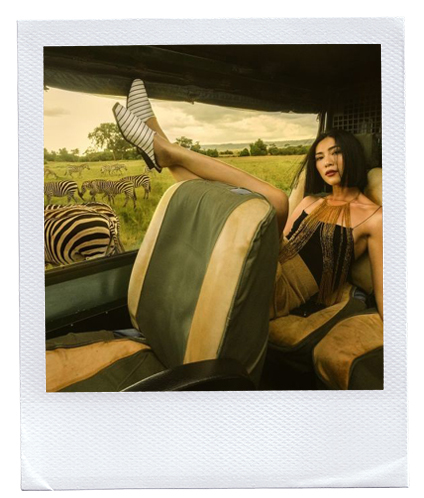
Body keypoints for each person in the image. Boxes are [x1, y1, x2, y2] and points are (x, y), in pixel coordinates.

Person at [113, 79, 383, 321]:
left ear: (352, 154)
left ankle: (160, 143)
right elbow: (279, 242)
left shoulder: (375, 217)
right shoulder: (311, 201)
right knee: (239, 203)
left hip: (280, 293)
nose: (327, 162)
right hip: (265, 268)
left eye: (336, 153)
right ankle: (159, 140)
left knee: (276, 200)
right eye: (320, 157)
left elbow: (386, 294)